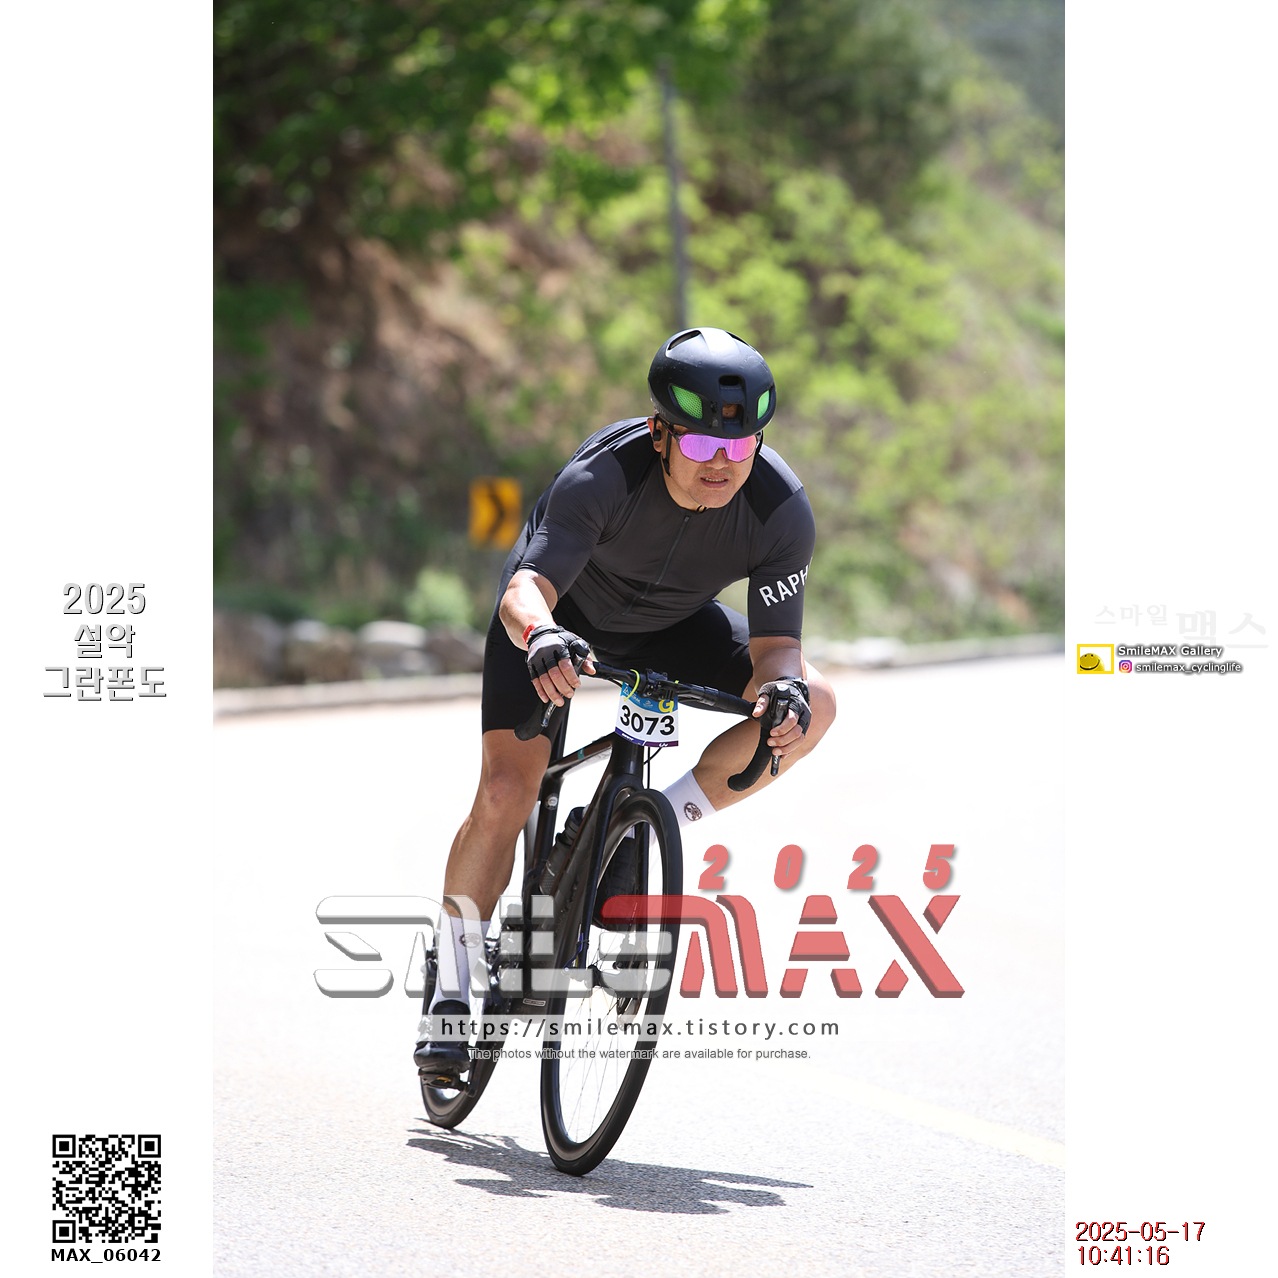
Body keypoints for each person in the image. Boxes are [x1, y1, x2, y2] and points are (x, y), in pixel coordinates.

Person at [415, 327, 836, 1073]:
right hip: (559, 622)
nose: (721, 464)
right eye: (701, 444)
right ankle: (451, 980)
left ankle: (638, 832)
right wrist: (541, 635)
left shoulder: (780, 509)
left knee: (816, 703)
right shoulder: (604, 476)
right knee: (507, 794)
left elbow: (777, 649)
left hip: (674, 628)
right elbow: (525, 590)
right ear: (660, 433)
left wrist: (784, 691)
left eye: (740, 447)